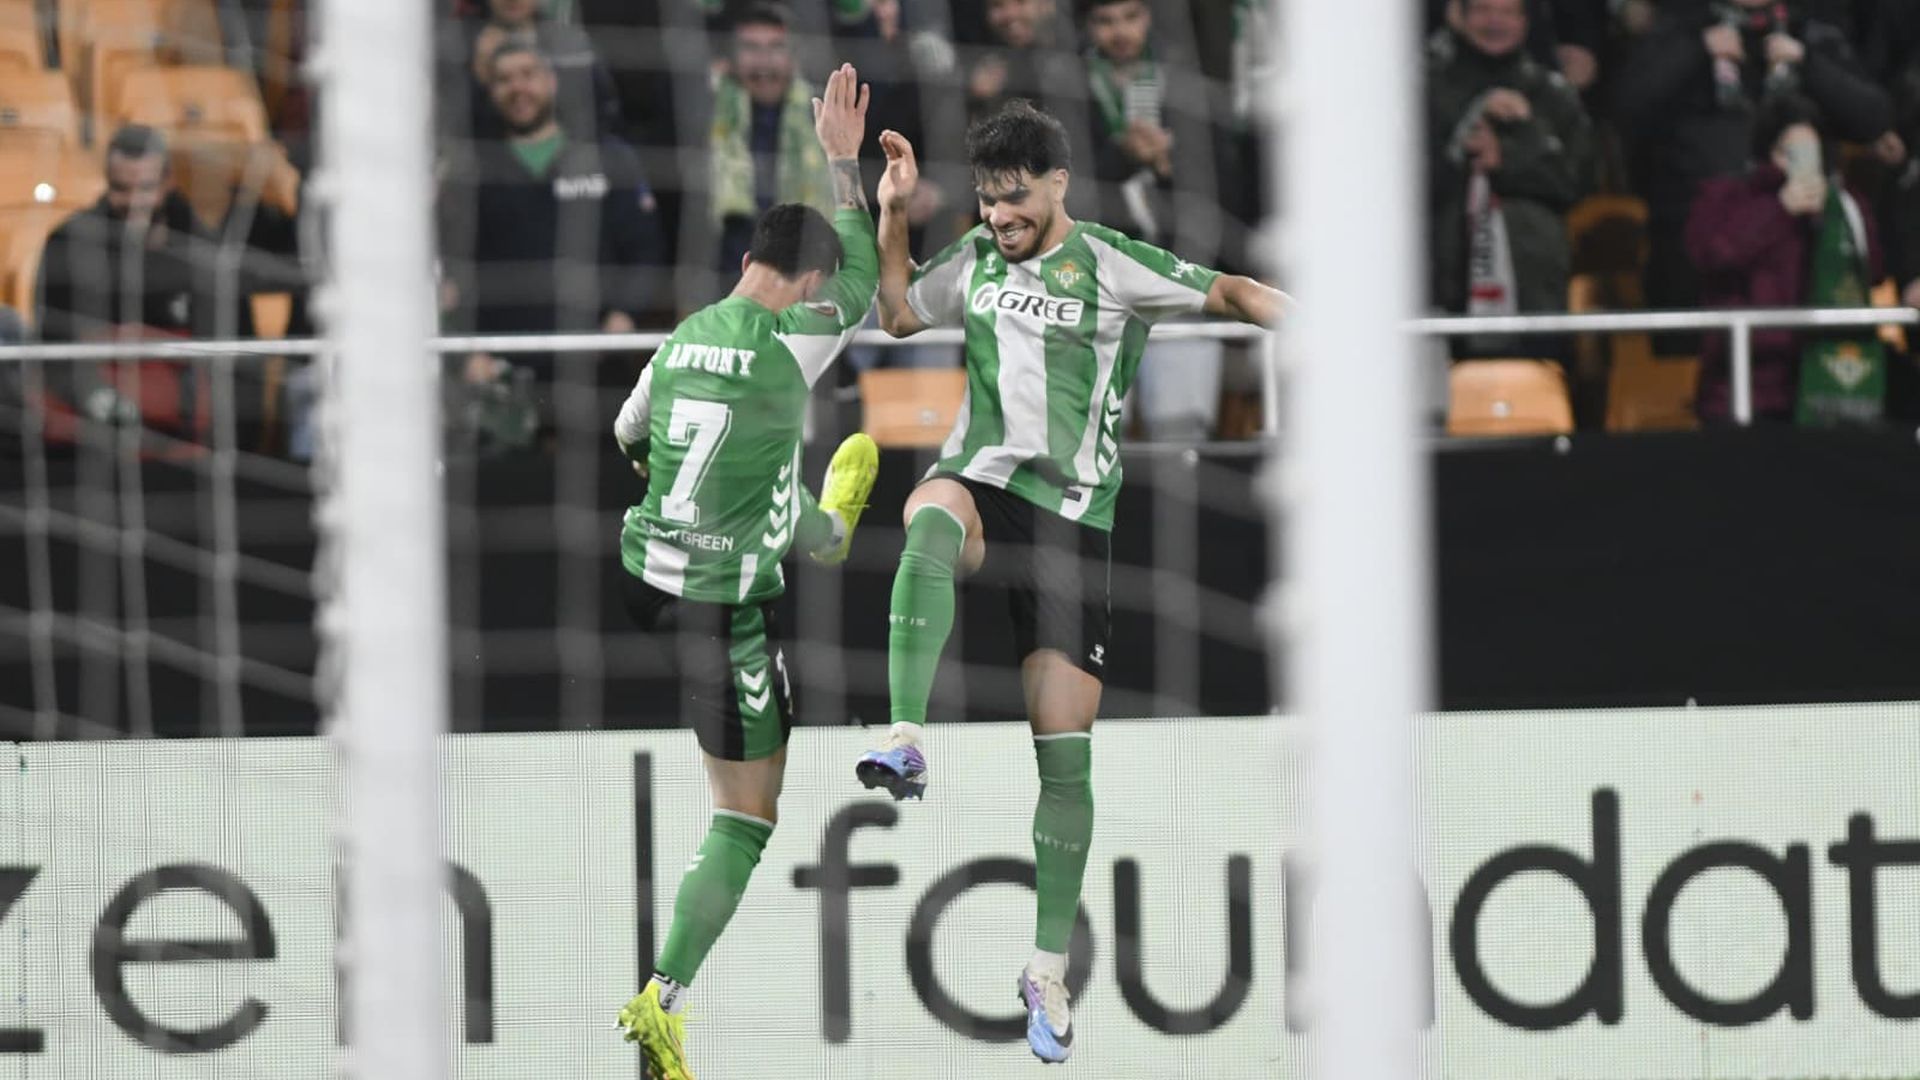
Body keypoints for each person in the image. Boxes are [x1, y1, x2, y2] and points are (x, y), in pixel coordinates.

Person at [853, 101, 1287, 1063]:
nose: (1001, 216)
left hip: (1073, 524)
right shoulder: (974, 255)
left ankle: (1045, 967)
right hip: (984, 483)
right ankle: (906, 737)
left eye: (1015, 199)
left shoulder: (1112, 264)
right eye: (987, 199)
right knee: (929, 511)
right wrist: (889, 212)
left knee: (1065, 759)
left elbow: (1231, 291)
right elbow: (892, 313)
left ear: (1057, 186)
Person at [611, 64, 881, 1080]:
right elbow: (860, 283)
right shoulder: (797, 341)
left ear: (744, 258)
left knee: (775, 498)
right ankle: (659, 1004)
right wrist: (845, 167)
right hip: (720, 614)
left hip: (647, 571)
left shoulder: (680, 343)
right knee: (747, 815)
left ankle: (814, 526)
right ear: (802, 283)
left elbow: (625, 433)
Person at [437, 41, 665, 399]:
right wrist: (463, 349)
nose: (518, 88)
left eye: (529, 75)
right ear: (491, 91)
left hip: (595, 365)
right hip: (500, 372)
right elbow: (447, 269)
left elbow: (645, 249)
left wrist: (625, 314)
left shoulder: (606, 157)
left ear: (552, 81)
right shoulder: (469, 170)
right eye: (504, 79)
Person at [1685, 93, 1882, 423]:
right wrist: (1780, 210)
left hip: (1827, 379)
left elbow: (1871, 272)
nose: (1800, 165)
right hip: (1745, 384)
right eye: (1789, 153)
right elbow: (1713, 253)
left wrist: (1833, 220)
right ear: (1767, 152)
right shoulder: (1727, 198)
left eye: (1811, 154)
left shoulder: (1844, 204)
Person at [1427, 0, 1593, 354]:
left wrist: (1507, 157)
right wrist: (1466, 132)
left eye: (1507, 12)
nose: (1495, 22)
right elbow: (1410, 181)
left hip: (1536, 286)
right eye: (1484, 10)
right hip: (1445, 285)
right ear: (1461, 16)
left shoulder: (1553, 94)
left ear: (1525, 21)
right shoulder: (1427, 90)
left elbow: (1577, 180)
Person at [710, 3, 836, 276]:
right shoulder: (707, 115)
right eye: (751, 48)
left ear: (795, 57)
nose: (764, 62)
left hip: (808, 276)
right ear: (730, 58)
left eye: (777, 47)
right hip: (725, 279)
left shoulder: (824, 117)